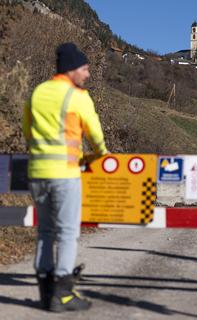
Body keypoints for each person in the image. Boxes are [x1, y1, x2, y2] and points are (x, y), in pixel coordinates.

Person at [22, 42, 108, 312]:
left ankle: (46, 293)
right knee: (69, 233)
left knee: (45, 232)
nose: (88, 74)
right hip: (65, 174)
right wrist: (101, 153)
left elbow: (27, 129)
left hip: (37, 174)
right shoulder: (77, 96)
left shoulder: (37, 92)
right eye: (85, 68)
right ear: (71, 69)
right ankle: (64, 295)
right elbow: (95, 134)